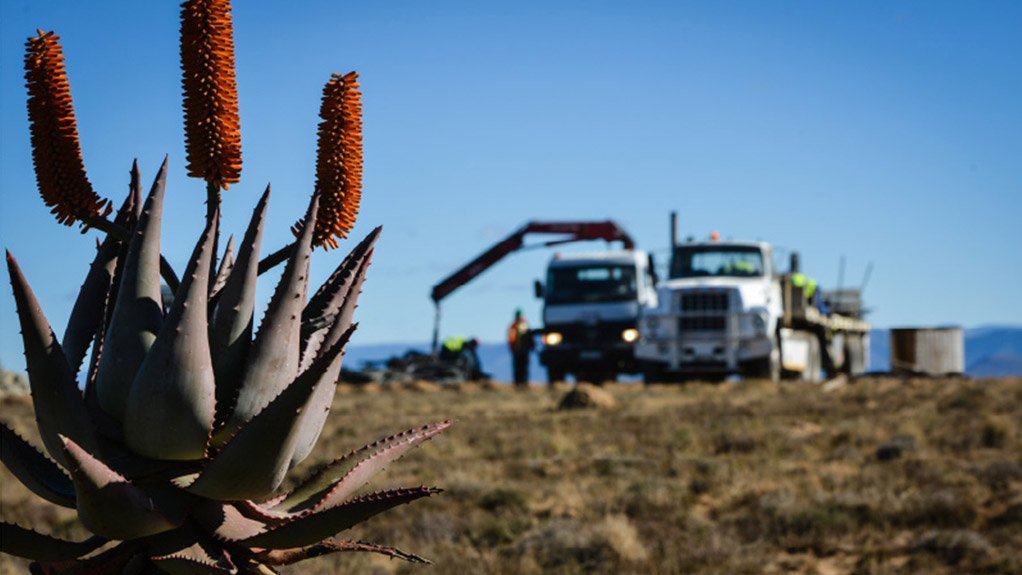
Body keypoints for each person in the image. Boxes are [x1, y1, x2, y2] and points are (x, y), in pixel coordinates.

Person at [507, 309, 533, 386]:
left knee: (524, 368)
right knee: (518, 368)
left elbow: (530, 337)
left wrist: (531, 346)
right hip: (517, 350)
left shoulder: (526, 325)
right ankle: (518, 383)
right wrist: (512, 348)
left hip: (524, 350)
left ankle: (524, 383)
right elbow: (511, 338)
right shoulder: (514, 326)